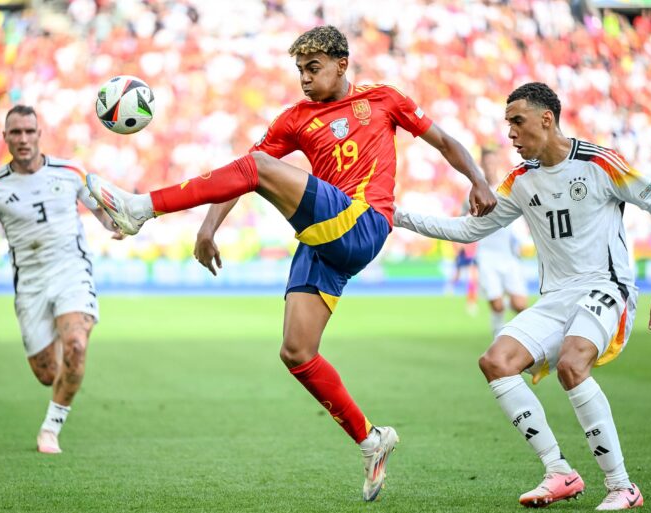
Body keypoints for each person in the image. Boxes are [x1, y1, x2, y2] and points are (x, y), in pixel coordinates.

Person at [85, 25, 496, 500]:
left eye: (312, 68)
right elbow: (243, 170)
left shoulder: (384, 99)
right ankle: (370, 439)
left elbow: (445, 141)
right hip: (325, 238)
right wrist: (207, 227)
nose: (303, 78)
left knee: (259, 168)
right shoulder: (295, 119)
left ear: (342, 64)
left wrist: (478, 180)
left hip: (363, 222)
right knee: (297, 352)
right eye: (299, 69)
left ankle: (141, 208)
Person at [394, 82, 651, 510]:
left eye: (517, 121)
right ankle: (559, 471)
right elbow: (469, 230)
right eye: (507, 123)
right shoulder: (521, 180)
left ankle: (622, 486)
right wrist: (396, 215)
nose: (510, 132)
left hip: (606, 287)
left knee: (571, 363)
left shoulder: (600, 163)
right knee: (496, 362)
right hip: (556, 297)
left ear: (546, 119)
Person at [0, 105, 123, 454]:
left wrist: (117, 225)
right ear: (5, 137)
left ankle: (50, 429)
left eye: (29, 131)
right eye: (15, 132)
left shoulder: (70, 172)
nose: (23, 139)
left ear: (40, 134)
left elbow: (101, 211)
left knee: (77, 348)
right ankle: (64, 371)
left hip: (71, 271)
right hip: (30, 284)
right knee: (47, 373)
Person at [475, 147, 528, 336]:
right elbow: (464, 216)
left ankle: (525, 338)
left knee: (520, 304)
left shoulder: (507, 187)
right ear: (481, 164)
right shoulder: (476, 189)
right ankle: (498, 339)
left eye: (492, 162)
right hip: (487, 255)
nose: (490, 166)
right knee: (497, 306)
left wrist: (522, 240)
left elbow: (521, 215)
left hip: (508, 254)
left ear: (497, 164)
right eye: (486, 163)